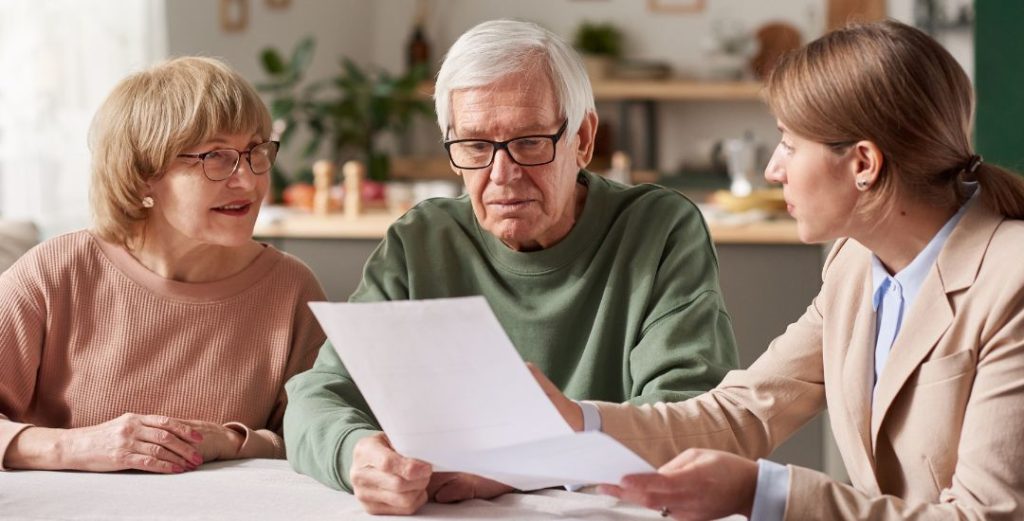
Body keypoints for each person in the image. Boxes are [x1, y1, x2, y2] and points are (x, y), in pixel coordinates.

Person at [535, 20, 1024, 520]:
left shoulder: (1013, 283)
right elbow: (743, 412)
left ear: (863, 164)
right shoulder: (855, 264)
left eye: (788, 143)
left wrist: (766, 494)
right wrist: (578, 422)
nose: (773, 169)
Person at [284, 19, 739, 515]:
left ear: (583, 139)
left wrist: (518, 469)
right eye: (476, 146)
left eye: (529, 141)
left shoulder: (659, 229)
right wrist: (355, 455)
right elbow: (316, 397)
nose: (503, 175)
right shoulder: (422, 241)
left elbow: (689, 421)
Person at [0, 57, 327, 474]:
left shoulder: (291, 287)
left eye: (254, 151)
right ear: (142, 174)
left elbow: (319, 436)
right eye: (216, 157)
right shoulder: (57, 272)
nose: (249, 181)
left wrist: (231, 440)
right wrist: (75, 446)